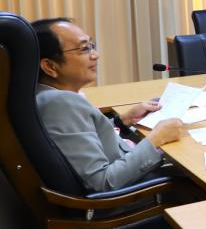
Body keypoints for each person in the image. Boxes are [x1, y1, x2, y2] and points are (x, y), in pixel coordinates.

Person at [33, 18, 184, 193]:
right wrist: (156, 139)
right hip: (130, 196)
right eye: (84, 48)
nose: (95, 55)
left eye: (92, 45)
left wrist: (123, 121)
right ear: (50, 66)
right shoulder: (60, 104)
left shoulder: (43, 94)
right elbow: (102, 182)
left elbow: (83, 139)